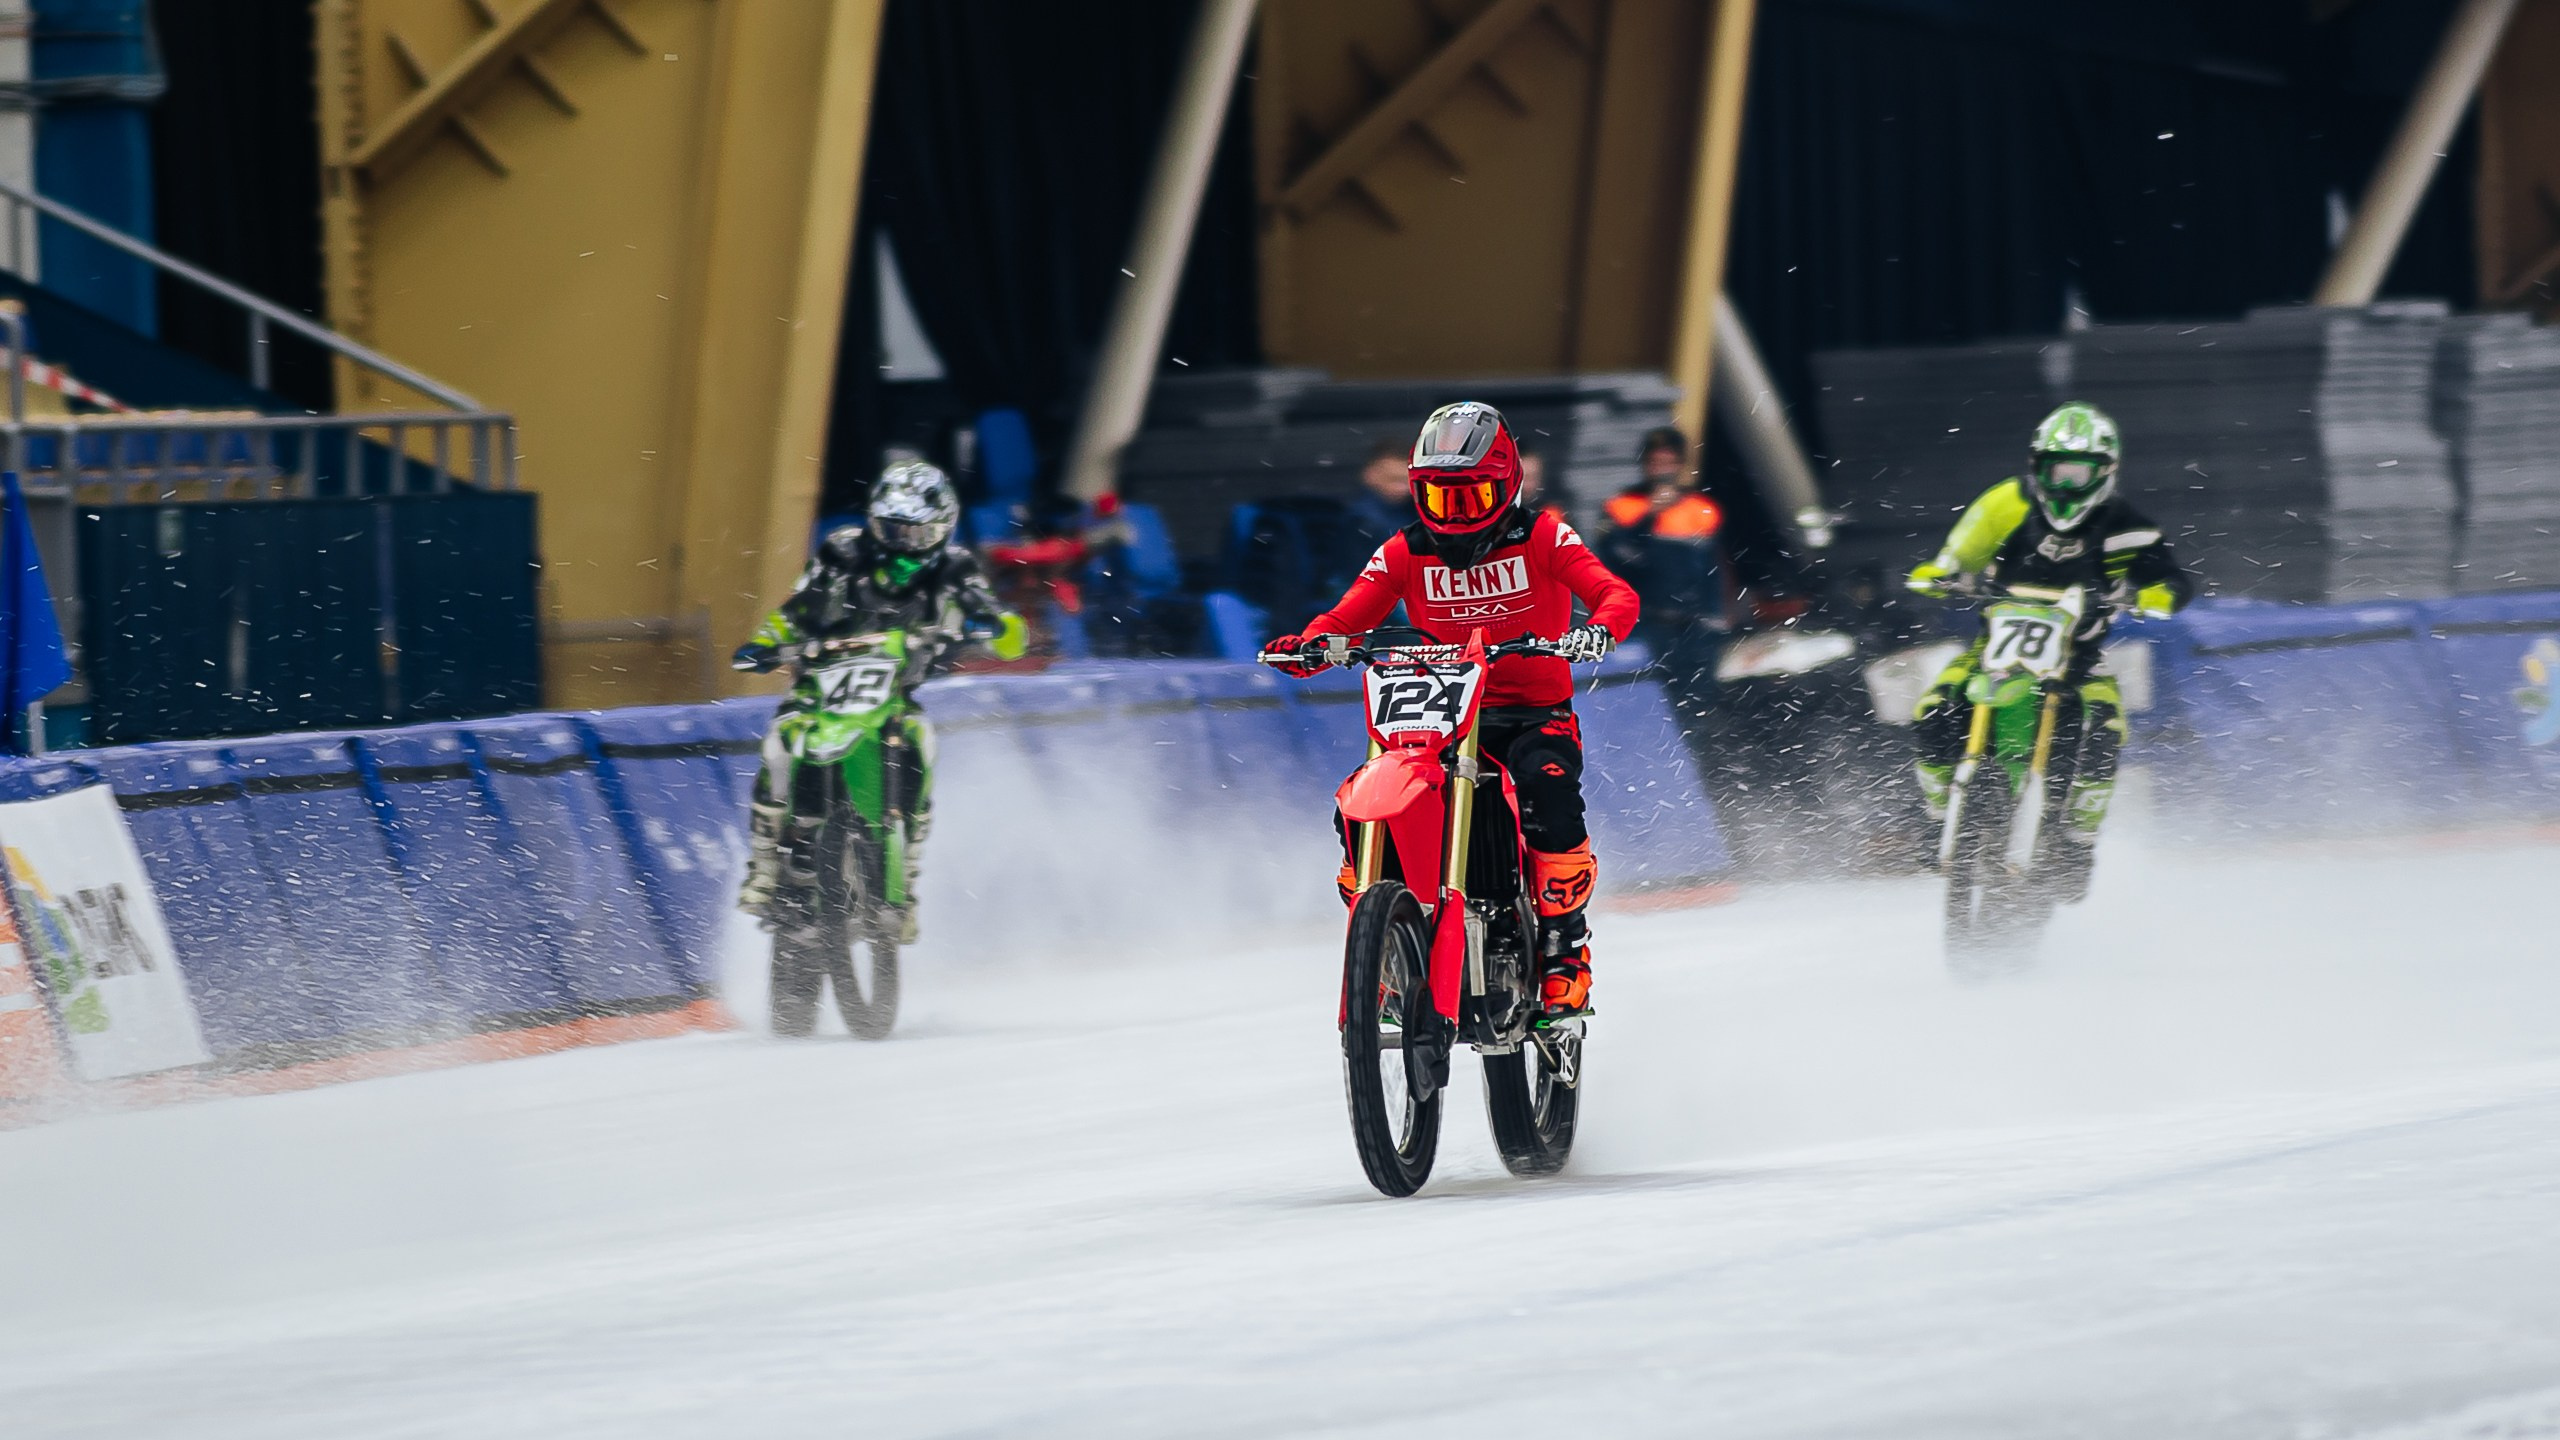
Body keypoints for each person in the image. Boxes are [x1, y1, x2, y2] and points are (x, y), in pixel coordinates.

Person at [1265, 401, 1638, 1020]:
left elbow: (1614, 593)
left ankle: (1565, 947)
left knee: (1548, 785)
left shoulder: (1542, 534)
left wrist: (1598, 629)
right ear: (1418, 494)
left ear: (1508, 484)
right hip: (1438, 711)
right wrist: (1312, 646)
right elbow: (1345, 616)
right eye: (1441, 499)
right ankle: (1383, 940)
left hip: (1530, 710)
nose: (1457, 514)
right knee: (1359, 796)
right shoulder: (1402, 552)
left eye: (1471, 497)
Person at [1904, 402, 2193, 893]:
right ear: (2037, 466)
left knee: (2105, 728)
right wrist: (1941, 577)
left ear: (2105, 472)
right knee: (1932, 711)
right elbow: (1953, 558)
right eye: (2055, 469)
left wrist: (2143, 596)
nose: (2065, 484)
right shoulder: (2005, 503)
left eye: (2078, 472)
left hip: (2080, 664)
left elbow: (2173, 585)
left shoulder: (2131, 527)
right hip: (1991, 651)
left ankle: (2078, 844)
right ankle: (1938, 817)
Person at [731, 459, 1027, 930]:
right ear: (873, 521)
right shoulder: (843, 551)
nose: (901, 544)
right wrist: (766, 642)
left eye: (915, 533)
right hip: (821, 691)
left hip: (892, 698)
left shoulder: (955, 567)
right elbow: (798, 608)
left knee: (923, 742)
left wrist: (997, 626)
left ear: (942, 528)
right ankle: (764, 871)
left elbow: (995, 617)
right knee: (779, 744)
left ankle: (906, 881)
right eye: (892, 529)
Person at [1601, 425, 1727, 721]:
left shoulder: (1701, 509)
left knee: (1698, 707)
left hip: (1694, 628)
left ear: (1681, 465)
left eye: (1669, 463)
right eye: (1655, 463)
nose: (1662, 470)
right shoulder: (1624, 506)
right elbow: (1619, 560)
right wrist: (1649, 518)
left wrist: (1717, 618)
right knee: (1644, 704)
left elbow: (1713, 571)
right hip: (1646, 624)